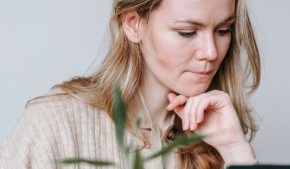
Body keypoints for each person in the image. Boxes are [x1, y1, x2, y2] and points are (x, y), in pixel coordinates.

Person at [0, 0, 261, 168]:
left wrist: (235, 150)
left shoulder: (218, 133)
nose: (211, 52)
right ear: (133, 24)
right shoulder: (55, 125)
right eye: (187, 32)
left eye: (223, 30)